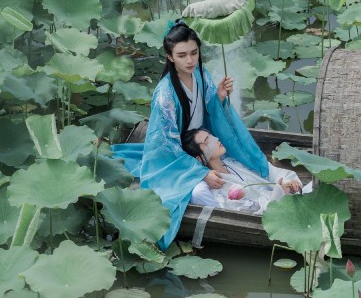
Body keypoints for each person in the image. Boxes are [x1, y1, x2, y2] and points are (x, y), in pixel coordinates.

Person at [112, 19, 289, 250]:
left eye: (194, 53)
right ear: (169, 57)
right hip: (174, 157)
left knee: (243, 161)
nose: (190, 60)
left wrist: (219, 97)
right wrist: (200, 173)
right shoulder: (164, 95)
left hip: (197, 143)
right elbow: (166, 146)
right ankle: (247, 208)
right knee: (197, 190)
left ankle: (265, 192)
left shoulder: (200, 74)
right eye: (182, 55)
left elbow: (210, 112)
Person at [180, 127, 303, 213]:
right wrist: (279, 193)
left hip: (286, 198)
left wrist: (289, 182)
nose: (216, 139)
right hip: (276, 214)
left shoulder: (231, 162)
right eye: (207, 141)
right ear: (199, 159)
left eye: (211, 136)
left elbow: (271, 171)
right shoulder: (216, 188)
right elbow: (251, 214)